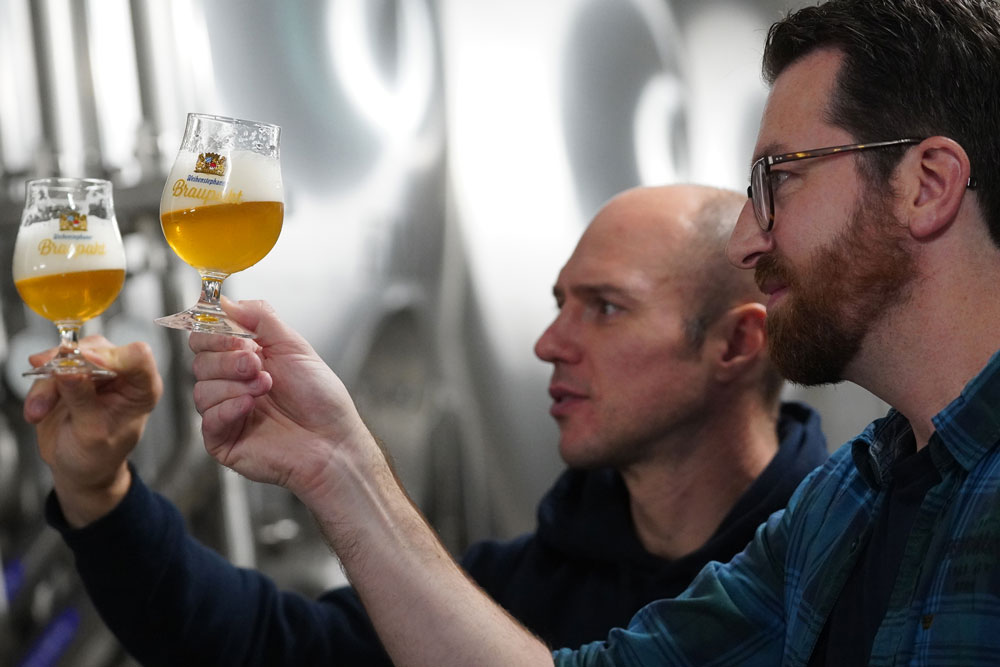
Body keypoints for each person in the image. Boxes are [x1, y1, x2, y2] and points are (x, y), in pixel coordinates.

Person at [164, 0, 1000, 665]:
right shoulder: (844, 506)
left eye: (778, 178)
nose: (749, 238)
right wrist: (337, 463)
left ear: (927, 185)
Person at [27, 185, 828, 665]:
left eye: (607, 308)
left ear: (737, 343)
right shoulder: (532, 579)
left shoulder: (834, 568)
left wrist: (350, 467)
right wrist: (101, 494)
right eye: (559, 303)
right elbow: (269, 646)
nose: (549, 343)